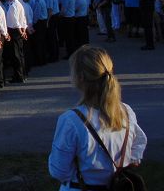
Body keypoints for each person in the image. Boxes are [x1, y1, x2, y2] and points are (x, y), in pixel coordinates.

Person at [49, 45, 147, 190]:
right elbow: (137, 149)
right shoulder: (125, 112)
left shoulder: (71, 120)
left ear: (80, 77)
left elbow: (58, 170)